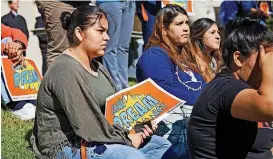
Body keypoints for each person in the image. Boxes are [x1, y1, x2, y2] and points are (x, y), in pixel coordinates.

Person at [31, 6, 173, 159]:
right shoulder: (65, 69)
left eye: (106, 31)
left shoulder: (98, 67)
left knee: (162, 146)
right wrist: (127, 139)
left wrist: (136, 127)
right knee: (131, 156)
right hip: (68, 145)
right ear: (79, 33)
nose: (107, 37)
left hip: (99, 136)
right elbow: (87, 127)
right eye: (100, 31)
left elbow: (112, 112)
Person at [188, 16, 273, 159]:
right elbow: (269, 107)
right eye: (264, 58)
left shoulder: (253, 90)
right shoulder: (225, 88)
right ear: (238, 59)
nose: (267, 65)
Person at [136, 4, 208, 158]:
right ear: (164, 29)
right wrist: (207, 99)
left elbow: (204, 86)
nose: (186, 28)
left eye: (187, 23)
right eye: (179, 24)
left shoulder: (186, 56)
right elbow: (163, 91)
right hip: (169, 131)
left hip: (193, 121)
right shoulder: (154, 55)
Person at [35, 0, 90, 68]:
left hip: (82, 3)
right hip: (60, 3)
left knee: (84, 51)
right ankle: (59, 78)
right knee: (61, 51)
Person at [96, 0, 136, 91]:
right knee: (110, 48)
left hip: (130, 3)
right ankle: (115, 86)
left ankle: (124, 86)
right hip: (111, 2)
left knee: (124, 48)